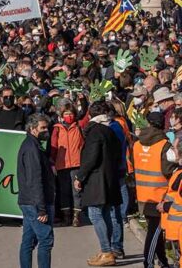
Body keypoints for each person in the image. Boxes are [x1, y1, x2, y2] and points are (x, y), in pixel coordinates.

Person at [76, 101, 124, 267]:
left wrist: (80, 177)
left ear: (91, 115)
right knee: (105, 214)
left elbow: (91, 158)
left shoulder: (95, 132)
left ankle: (106, 251)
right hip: (109, 177)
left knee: (95, 214)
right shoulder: (111, 130)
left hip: (98, 179)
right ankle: (107, 249)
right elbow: (119, 153)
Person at [133, 110, 174, 267]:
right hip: (160, 195)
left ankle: (162, 261)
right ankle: (148, 262)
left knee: (155, 231)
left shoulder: (137, 144)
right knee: (155, 232)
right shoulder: (164, 145)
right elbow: (169, 170)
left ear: (148, 123)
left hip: (143, 194)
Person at [17, 113, 55, 268]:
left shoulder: (33, 145)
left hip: (29, 201)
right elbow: (35, 180)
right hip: (35, 202)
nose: (46, 131)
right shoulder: (32, 148)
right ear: (33, 129)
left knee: (28, 241)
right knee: (46, 240)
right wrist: (41, 209)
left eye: (47, 127)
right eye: (43, 128)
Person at [50, 102, 84, 227]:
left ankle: (77, 217)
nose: (68, 116)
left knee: (77, 190)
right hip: (62, 164)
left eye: (70, 114)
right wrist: (52, 162)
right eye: (66, 114)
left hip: (76, 164)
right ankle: (66, 217)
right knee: (64, 191)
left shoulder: (78, 127)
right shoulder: (57, 128)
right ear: (62, 115)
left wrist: (83, 100)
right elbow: (53, 146)